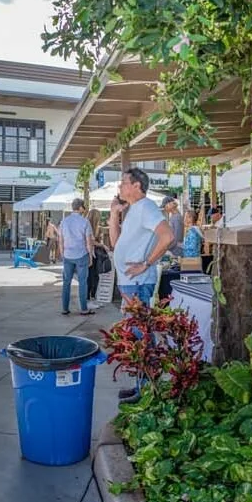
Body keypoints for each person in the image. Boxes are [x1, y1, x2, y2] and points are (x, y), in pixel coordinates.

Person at [112, 168, 175, 402]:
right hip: (131, 283)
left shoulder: (147, 207)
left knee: (142, 337)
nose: (120, 187)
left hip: (138, 283)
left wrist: (146, 263)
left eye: (123, 183)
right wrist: (113, 215)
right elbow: (116, 243)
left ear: (137, 185)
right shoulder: (134, 210)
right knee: (137, 337)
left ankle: (147, 391)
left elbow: (168, 237)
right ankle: (142, 386)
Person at [59, 198, 95, 316]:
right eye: (83, 207)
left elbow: (61, 240)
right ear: (80, 208)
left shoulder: (64, 221)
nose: (84, 209)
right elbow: (88, 241)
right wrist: (90, 255)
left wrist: (62, 253)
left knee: (66, 282)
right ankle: (83, 309)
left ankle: (65, 308)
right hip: (81, 254)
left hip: (67, 255)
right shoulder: (85, 222)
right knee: (82, 282)